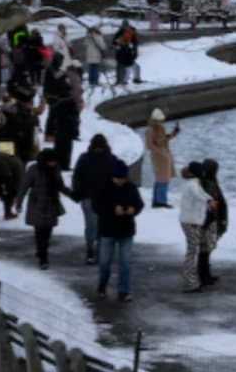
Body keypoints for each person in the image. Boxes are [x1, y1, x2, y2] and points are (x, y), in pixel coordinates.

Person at [94, 158, 144, 301]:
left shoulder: (131, 187)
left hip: (126, 230)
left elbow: (139, 204)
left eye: (123, 178)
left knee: (126, 262)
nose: (121, 181)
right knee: (104, 262)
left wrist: (133, 210)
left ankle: (123, 290)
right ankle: (102, 285)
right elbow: (96, 206)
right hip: (107, 230)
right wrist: (112, 209)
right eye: (118, 178)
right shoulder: (103, 187)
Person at [15, 149, 67, 270]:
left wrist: (73, 194)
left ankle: (42, 250)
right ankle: (43, 257)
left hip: (51, 203)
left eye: (54, 161)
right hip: (37, 203)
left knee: (48, 231)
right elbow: (24, 186)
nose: (53, 164)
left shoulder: (56, 169)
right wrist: (19, 203)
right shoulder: (34, 169)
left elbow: (60, 184)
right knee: (39, 230)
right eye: (51, 161)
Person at [71, 134, 116, 264]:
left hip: (105, 198)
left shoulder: (111, 160)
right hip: (88, 197)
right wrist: (77, 191)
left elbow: (118, 177)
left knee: (102, 225)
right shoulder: (85, 159)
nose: (98, 150)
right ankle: (91, 248)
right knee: (92, 225)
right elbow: (77, 176)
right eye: (96, 147)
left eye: (100, 147)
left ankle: (99, 250)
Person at [178, 161, 214, 293]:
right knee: (192, 251)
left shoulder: (193, 183)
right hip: (191, 221)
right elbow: (198, 195)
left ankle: (192, 280)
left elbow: (201, 194)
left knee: (192, 250)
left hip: (192, 221)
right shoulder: (192, 184)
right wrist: (209, 201)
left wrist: (209, 199)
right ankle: (190, 280)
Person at [199, 158, 229, 287]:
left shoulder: (207, 182)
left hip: (211, 220)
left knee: (206, 249)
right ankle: (203, 275)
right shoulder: (207, 183)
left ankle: (205, 274)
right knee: (205, 250)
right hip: (208, 221)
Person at [145, 108, 180, 208]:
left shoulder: (159, 128)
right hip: (158, 157)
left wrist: (174, 133)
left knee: (162, 179)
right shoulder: (150, 130)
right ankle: (160, 202)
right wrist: (161, 152)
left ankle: (158, 201)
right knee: (162, 179)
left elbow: (164, 139)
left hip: (164, 155)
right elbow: (149, 145)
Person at [52, 90, 80, 171]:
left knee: (59, 148)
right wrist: (75, 132)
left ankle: (58, 164)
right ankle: (65, 165)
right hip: (67, 130)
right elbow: (75, 119)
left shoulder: (58, 104)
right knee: (66, 149)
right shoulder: (72, 104)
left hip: (60, 129)